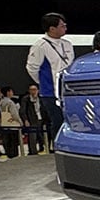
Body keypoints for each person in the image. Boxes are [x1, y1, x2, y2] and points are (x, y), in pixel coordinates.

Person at [25, 12, 74, 148]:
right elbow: (32, 68)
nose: (65, 28)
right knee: (58, 121)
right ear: (52, 29)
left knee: (71, 121)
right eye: (62, 26)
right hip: (51, 93)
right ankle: (59, 148)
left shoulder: (67, 44)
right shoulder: (40, 46)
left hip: (69, 91)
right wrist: (44, 82)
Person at [19, 83, 45, 154]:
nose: (33, 91)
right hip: (32, 119)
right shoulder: (26, 99)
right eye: (31, 90)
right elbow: (23, 110)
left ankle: (42, 147)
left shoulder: (41, 98)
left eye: (34, 90)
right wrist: (25, 120)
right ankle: (33, 151)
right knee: (32, 137)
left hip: (41, 119)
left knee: (41, 135)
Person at [0, 86, 22, 159]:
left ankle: (9, 154)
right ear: (8, 92)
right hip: (12, 125)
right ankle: (14, 156)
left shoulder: (1, 101)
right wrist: (20, 122)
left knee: (7, 141)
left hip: (4, 123)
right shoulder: (10, 102)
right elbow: (14, 114)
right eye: (11, 91)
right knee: (13, 142)